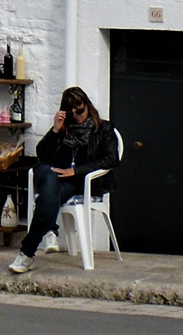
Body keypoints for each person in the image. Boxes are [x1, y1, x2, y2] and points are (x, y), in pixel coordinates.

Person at [8, 86, 119, 273]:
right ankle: (48, 230)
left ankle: (28, 252)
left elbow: (110, 159)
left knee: (48, 198)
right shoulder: (63, 129)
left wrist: (75, 171)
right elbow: (42, 154)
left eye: (80, 110)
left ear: (87, 106)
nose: (77, 116)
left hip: (75, 182)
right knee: (50, 177)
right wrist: (55, 131)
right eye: (71, 112)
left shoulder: (104, 128)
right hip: (49, 172)